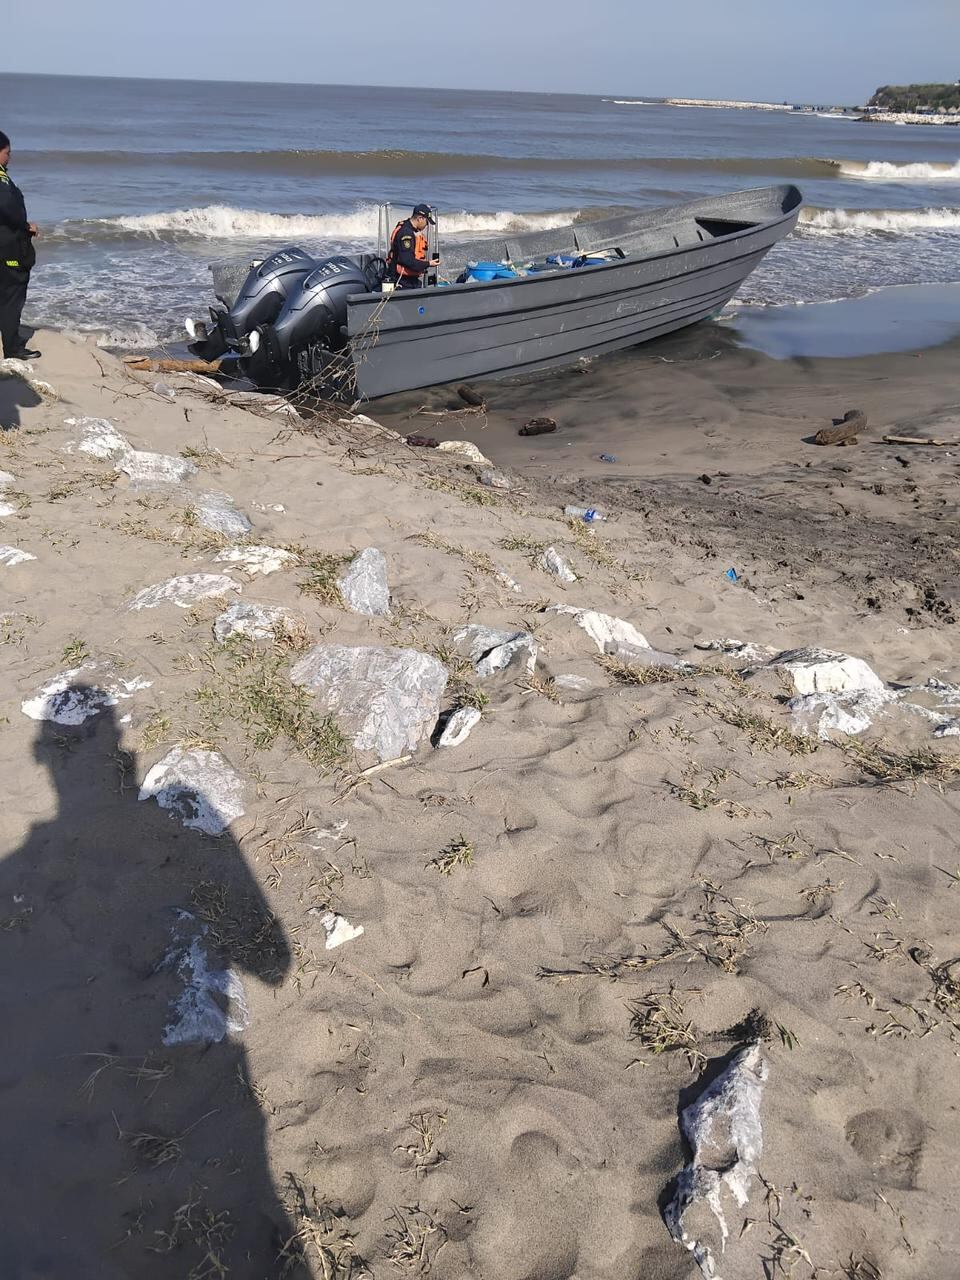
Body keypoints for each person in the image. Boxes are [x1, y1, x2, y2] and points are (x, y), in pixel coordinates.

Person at [0, 129, 40, 360]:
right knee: (12, 292)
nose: (9, 158)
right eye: (7, 153)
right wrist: (26, 227)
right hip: (7, 248)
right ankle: (13, 348)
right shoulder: (1, 179)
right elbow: (6, 205)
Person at [386, 202, 440, 289]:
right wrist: (429, 263)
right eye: (427, 222)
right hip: (402, 281)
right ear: (420, 218)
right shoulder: (406, 233)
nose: (427, 225)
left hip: (409, 279)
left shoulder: (409, 228)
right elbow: (407, 260)